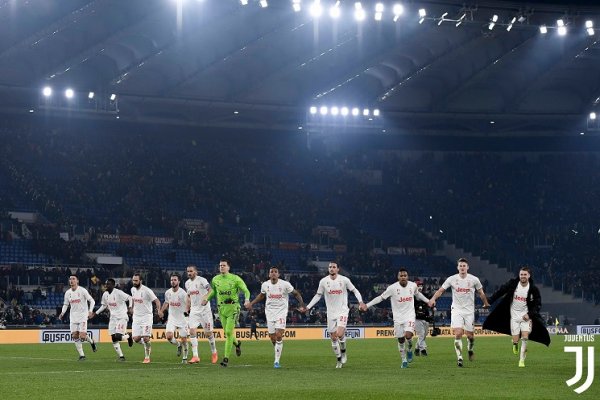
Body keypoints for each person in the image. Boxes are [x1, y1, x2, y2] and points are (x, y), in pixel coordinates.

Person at [360, 269, 429, 368]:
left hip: (409, 316)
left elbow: (418, 294)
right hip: (398, 318)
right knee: (401, 340)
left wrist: (428, 301)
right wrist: (367, 305)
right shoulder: (392, 288)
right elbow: (380, 298)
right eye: (401, 276)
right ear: (398, 277)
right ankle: (404, 360)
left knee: (408, 335)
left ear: (407, 276)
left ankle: (409, 348)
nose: (403, 277)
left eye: (405, 275)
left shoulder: (413, 285)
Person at [483, 266, 550, 367]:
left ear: (529, 276)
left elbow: (538, 304)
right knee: (516, 339)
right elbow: (501, 291)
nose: (523, 276)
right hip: (514, 316)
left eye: (525, 275)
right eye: (521, 274)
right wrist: (490, 301)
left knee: (525, 337)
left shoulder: (533, 289)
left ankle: (521, 360)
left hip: (525, 317)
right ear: (519, 275)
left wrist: (529, 314)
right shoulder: (513, 284)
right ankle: (514, 344)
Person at [428, 258, 490, 367]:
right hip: (456, 310)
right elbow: (441, 291)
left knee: (470, 336)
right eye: (460, 266)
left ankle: (470, 349)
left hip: (469, 311)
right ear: (457, 267)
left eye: (464, 266)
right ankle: (460, 358)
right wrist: (433, 299)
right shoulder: (451, 279)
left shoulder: (474, 279)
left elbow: (481, 292)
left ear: (467, 267)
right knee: (458, 333)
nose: (462, 267)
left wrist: (485, 303)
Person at [304, 262, 365, 369]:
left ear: (338, 269)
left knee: (340, 333)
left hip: (342, 311)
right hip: (331, 313)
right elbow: (318, 296)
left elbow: (355, 290)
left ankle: (344, 352)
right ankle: (339, 359)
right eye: (330, 267)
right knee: (333, 338)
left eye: (334, 267)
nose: (331, 269)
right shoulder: (323, 281)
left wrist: (360, 302)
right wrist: (308, 307)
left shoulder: (344, 280)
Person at [246, 267, 305, 368]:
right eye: (271, 272)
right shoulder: (265, 285)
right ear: (269, 275)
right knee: (273, 338)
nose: (273, 273)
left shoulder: (285, 284)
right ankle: (278, 347)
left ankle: (276, 361)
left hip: (281, 312)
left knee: (278, 335)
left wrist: (302, 304)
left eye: (275, 272)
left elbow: (296, 293)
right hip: (269, 313)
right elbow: (261, 295)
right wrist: (252, 303)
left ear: (278, 274)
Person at [202, 259, 250, 367]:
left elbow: (246, 290)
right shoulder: (215, 279)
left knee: (228, 332)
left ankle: (225, 359)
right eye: (220, 265)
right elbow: (213, 291)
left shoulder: (235, 279)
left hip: (233, 307)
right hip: (221, 308)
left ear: (228, 267)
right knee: (227, 332)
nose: (221, 267)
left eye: (224, 265)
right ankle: (237, 344)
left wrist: (247, 300)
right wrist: (207, 298)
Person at [92, 278, 133, 361]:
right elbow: (104, 305)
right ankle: (121, 356)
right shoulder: (105, 294)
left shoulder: (118, 293)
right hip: (113, 318)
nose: (106, 285)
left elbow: (130, 298)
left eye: (108, 284)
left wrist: (130, 307)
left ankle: (129, 336)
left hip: (122, 317)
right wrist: (95, 313)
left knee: (118, 336)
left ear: (113, 285)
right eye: (106, 284)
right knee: (113, 338)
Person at [185, 265, 218, 364]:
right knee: (192, 331)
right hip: (194, 311)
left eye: (191, 271)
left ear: (196, 272)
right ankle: (195, 356)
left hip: (205, 311)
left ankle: (214, 352)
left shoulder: (202, 280)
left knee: (208, 334)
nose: (189, 273)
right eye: (188, 271)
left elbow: (211, 290)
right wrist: (187, 307)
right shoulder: (187, 283)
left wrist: (206, 299)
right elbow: (188, 296)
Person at [58, 275, 97, 360]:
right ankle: (82, 355)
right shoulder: (67, 293)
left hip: (83, 316)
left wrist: (90, 311)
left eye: (73, 279)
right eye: (70, 279)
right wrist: (62, 313)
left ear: (77, 281)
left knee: (82, 336)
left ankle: (92, 342)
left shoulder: (82, 290)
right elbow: (66, 304)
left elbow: (92, 301)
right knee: (75, 336)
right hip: (73, 317)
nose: (71, 280)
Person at [130, 272, 162, 364]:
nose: (134, 282)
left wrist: (159, 310)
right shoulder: (132, 289)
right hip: (136, 317)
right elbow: (133, 299)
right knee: (135, 339)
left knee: (146, 338)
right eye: (133, 280)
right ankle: (147, 345)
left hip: (146, 317)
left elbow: (157, 301)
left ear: (141, 281)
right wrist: (131, 308)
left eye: (136, 280)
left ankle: (147, 357)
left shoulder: (147, 291)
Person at [160, 273, 189, 363]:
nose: (173, 281)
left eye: (175, 280)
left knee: (184, 339)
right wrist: (161, 311)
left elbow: (188, 303)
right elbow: (166, 302)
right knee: (169, 337)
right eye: (172, 280)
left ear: (179, 281)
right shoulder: (168, 292)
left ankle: (184, 357)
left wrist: (188, 313)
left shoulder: (183, 293)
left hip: (183, 319)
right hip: (172, 319)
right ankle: (178, 344)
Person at [414, 279, 433, 357]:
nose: (420, 287)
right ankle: (423, 350)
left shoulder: (425, 295)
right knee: (421, 334)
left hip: (426, 317)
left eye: (421, 286)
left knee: (424, 335)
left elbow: (430, 303)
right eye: (418, 286)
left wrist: (433, 307)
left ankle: (416, 348)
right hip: (416, 318)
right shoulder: (412, 297)